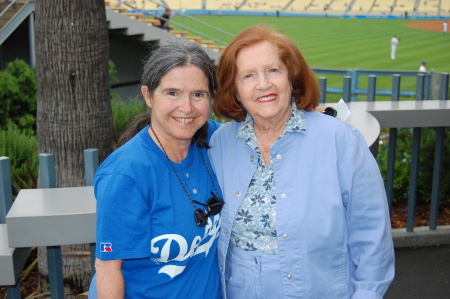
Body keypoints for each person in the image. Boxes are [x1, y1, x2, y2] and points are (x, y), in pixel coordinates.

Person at [208, 24, 395, 299]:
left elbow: (372, 238)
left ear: (291, 77)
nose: (264, 83)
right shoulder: (220, 144)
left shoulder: (341, 141)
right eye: (248, 75)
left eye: (273, 70)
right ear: (234, 90)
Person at [88, 40, 222, 298]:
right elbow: (107, 271)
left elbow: (260, 130)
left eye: (198, 94)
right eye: (172, 93)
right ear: (149, 96)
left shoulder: (213, 141)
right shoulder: (126, 175)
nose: (187, 108)